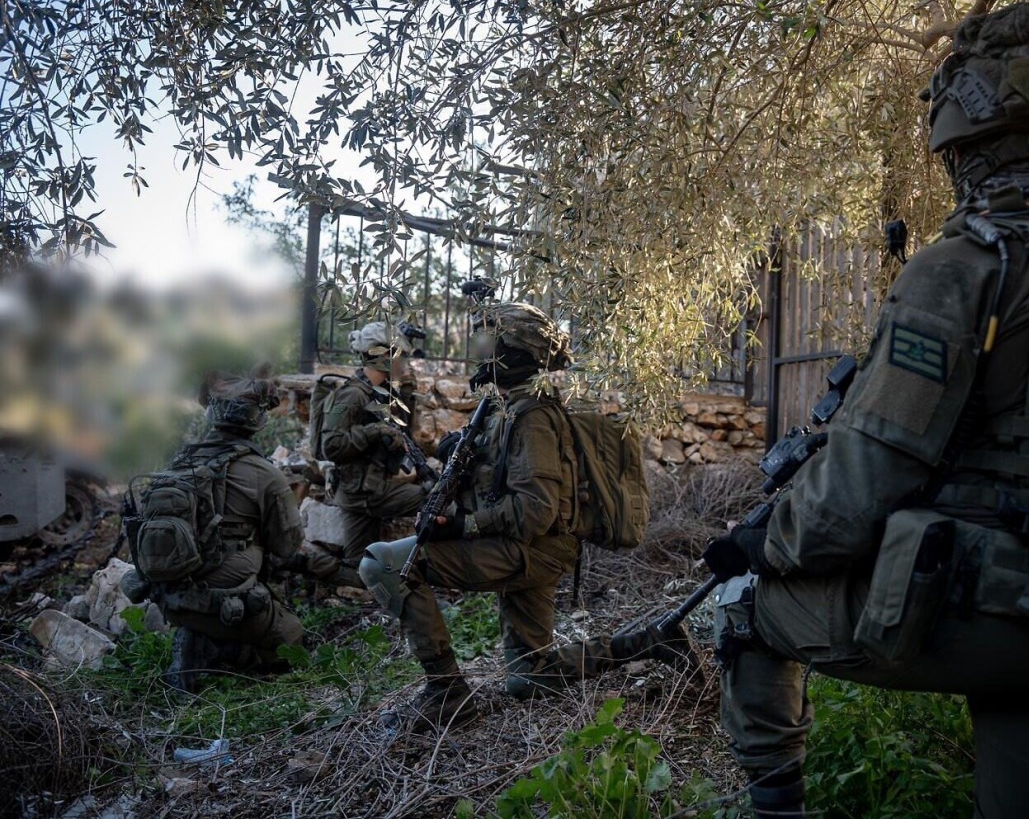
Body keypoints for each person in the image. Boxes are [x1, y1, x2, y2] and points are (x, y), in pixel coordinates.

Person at [702, 5, 1029, 818]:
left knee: (742, 604)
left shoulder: (964, 267)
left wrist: (761, 542)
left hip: (998, 610)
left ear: (962, 128)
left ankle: (775, 808)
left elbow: (858, 488)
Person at [359, 301, 694, 732]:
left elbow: (535, 510)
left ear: (513, 350)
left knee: (383, 564)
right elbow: (498, 486)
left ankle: (447, 693)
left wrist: (464, 526)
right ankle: (648, 642)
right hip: (535, 547)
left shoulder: (532, 417)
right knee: (530, 677)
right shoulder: (505, 408)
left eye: (489, 340)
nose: (479, 350)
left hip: (532, 550)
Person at [123, 366, 306, 693]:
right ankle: (212, 651)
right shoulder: (265, 474)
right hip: (225, 606)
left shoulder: (181, 463)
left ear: (212, 413)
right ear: (257, 419)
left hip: (171, 600)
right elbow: (287, 546)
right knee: (292, 641)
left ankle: (196, 636)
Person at [305, 322, 427, 588]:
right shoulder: (350, 396)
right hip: (362, 493)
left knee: (360, 570)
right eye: (400, 356)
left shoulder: (380, 393)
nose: (404, 363)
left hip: (364, 488)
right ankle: (301, 563)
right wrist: (374, 431)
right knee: (434, 500)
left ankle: (311, 567)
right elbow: (331, 446)